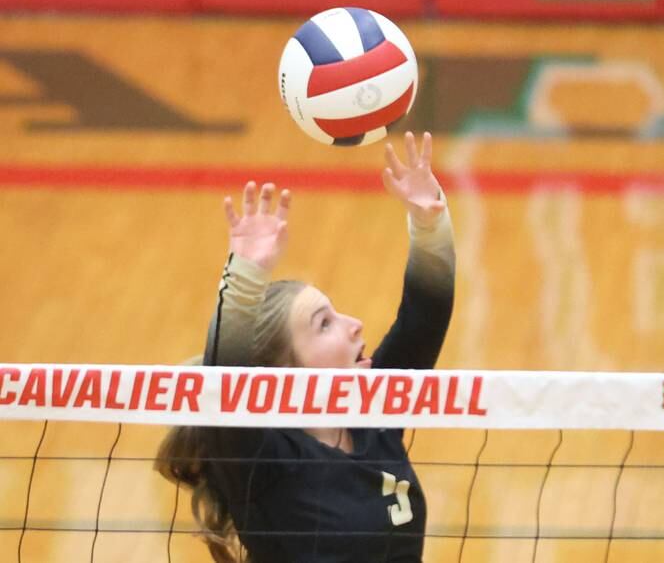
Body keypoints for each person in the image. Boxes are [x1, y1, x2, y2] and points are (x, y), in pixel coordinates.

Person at [155, 132, 455, 563]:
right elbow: (224, 381)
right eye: (324, 324)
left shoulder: (373, 416)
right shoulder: (261, 463)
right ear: (283, 371)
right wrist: (245, 277)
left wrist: (429, 227)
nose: (354, 326)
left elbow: (424, 317)